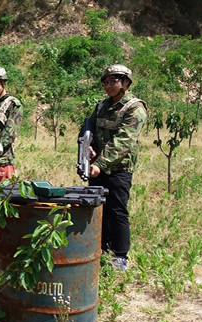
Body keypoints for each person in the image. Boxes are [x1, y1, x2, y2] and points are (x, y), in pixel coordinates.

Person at [86, 64, 147, 271]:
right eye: (106, 82)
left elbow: (124, 140)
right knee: (97, 209)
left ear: (126, 82)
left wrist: (100, 164)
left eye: (114, 81)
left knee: (117, 211)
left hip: (119, 168)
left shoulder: (134, 108)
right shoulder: (102, 105)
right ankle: (100, 249)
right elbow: (89, 129)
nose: (109, 85)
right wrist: (89, 148)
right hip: (96, 166)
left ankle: (120, 256)